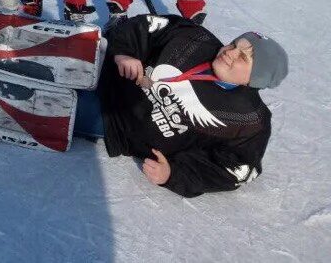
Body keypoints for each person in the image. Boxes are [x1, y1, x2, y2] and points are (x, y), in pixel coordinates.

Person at [74, 13, 288, 198]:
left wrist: (174, 174)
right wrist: (124, 52)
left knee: (54, 103)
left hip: (114, 118)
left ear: (256, 77)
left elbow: (236, 170)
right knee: (56, 55)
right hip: (105, 67)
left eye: (242, 56)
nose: (230, 52)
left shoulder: (250, 122)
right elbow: (144, 26)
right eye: (234, 44)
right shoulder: (194, 37)